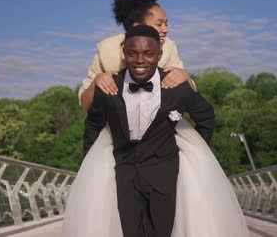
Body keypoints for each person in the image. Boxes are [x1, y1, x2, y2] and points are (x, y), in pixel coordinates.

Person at [62, 26, 249, 237]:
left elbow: (206, 117)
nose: (140, 60)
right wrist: (90, 166)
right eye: (133, 53)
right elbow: (93, 125)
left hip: (165, 174)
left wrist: (197, 154)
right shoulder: (109, 87)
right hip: (124, 174)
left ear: (159, 55)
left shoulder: (177, 87)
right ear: (124, 53)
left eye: (148, 54)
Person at [78, 0, 193, 112]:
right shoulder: (106, 51)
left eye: (166, 24)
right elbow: (84, 105)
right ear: (137, 26)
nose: (166, 30)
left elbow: (192, 99)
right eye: (159, 24)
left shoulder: (169, 47)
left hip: (162, 125)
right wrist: (97, 82)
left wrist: (185, 77)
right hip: (115, 126)